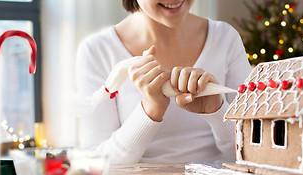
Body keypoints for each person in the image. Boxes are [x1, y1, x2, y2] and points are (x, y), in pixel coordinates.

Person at [76, 0, 252, 164]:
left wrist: (216, 111)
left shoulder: (225, 38)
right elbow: (96, 163)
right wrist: (150, 110)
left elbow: (255, 154)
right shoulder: (97, 51)